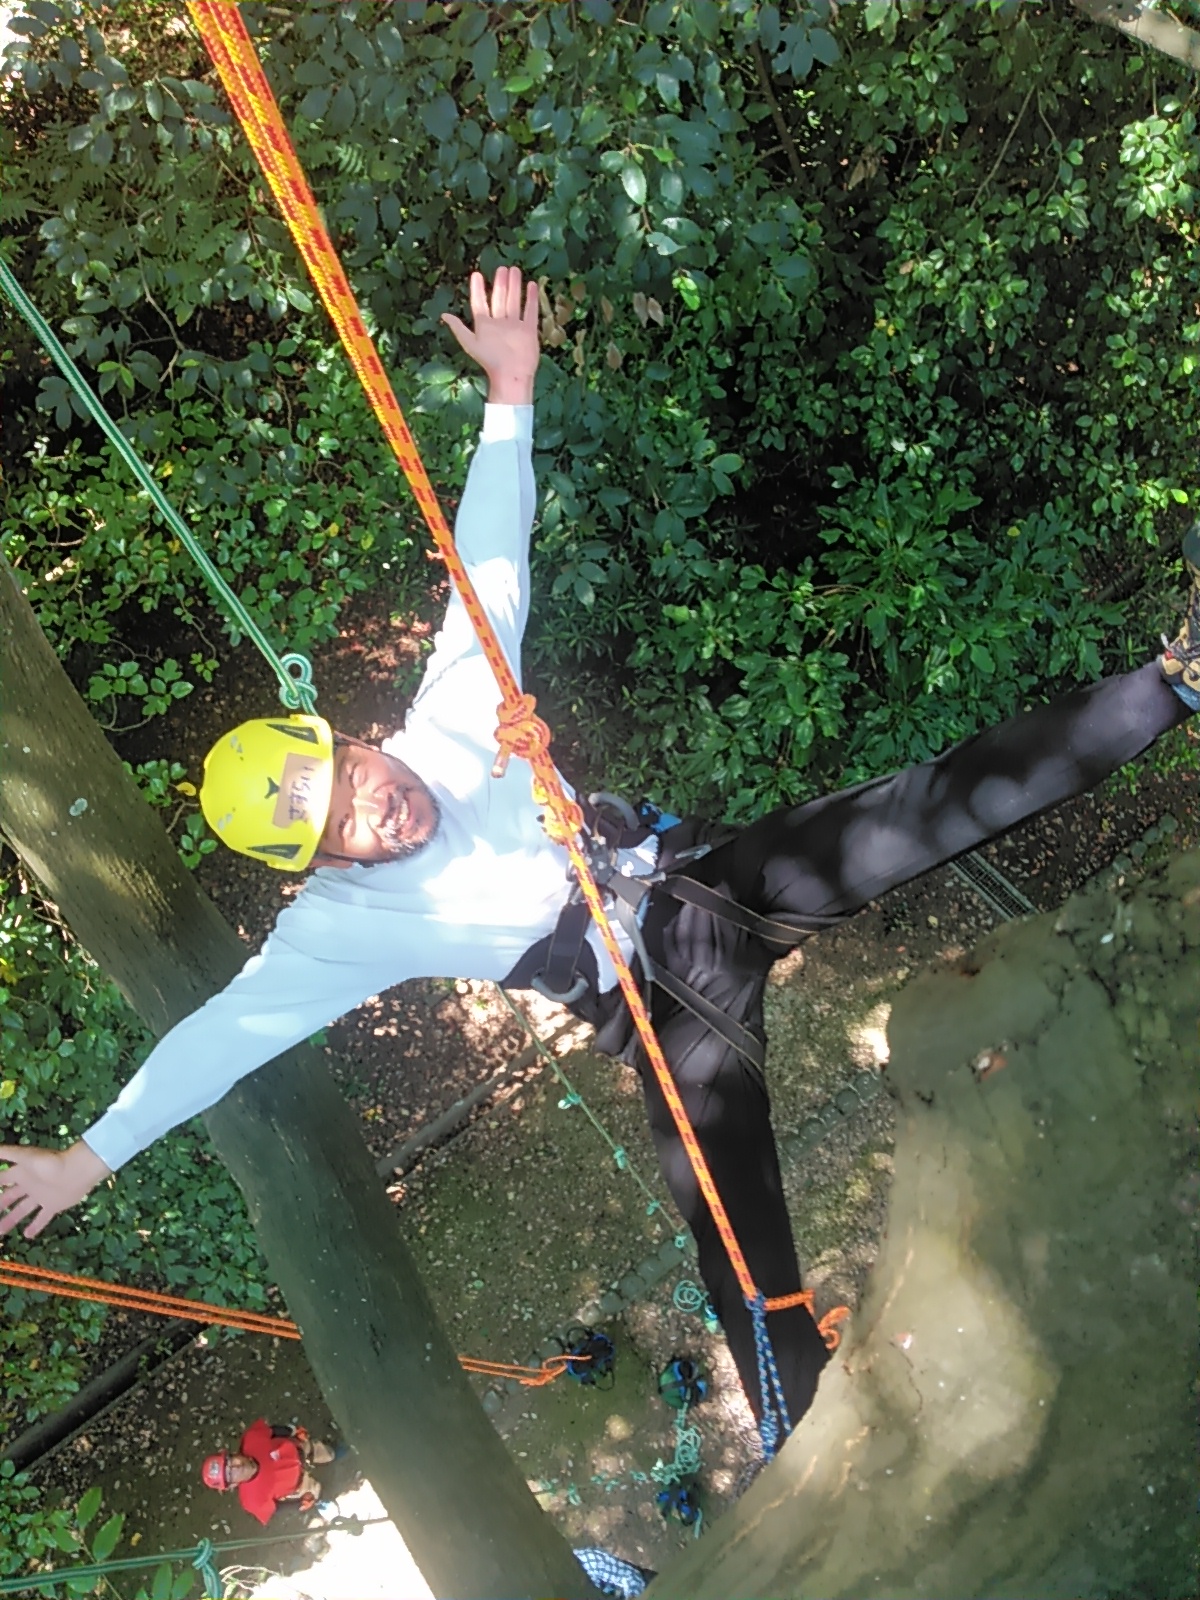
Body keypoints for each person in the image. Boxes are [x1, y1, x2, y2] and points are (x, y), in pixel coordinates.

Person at [1, 265, 1196, 1435]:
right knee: (734, 1241)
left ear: (357, 738)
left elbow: (489, 560)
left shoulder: (457, 714)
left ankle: (1171, 686)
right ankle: (809, 1453)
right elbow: (222, 1036)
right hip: (661, 1023)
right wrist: (83, 1162)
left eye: (360, 776)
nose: (382, 806)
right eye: (347, 824)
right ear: (322, 863)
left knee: (921, 809)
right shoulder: (337, 932)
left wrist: (509, 391)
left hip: (702, 887)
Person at [202, 1418, 335, 1525]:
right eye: (230, 1474)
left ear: (233, 1454)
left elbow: (272, 1431)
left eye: (230, 1462)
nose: (236, 1468)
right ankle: (321, 1500)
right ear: (232, 1485)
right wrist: (298, 1504)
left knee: (325, 1452)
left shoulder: (251, 1438)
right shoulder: (252, 1501)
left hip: (299, 1448)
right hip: (299, 1485)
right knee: (316, 1492)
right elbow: (276, 1508)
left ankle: (334, 1453)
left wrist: (292, 1431)